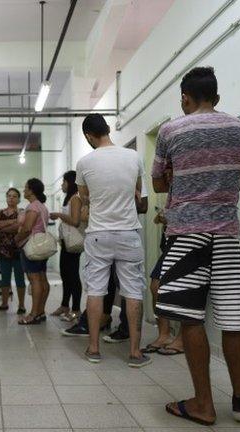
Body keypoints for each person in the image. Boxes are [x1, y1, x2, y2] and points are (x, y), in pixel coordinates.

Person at [152, 66, 240, 425]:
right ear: (216, 98)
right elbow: (238, 181)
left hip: (186, 232)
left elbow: (157, 183)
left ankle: (203, 403)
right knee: (233, 320)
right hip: (227, 233)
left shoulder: (171, 130)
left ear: (185, 97)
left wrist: (179, 178)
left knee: (189, 318)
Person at [75, 114, 149, 367]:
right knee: (132, 292)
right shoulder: (133, 157)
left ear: (88, 136)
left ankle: (94, 348)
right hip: (128, 232)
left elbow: (85, 200)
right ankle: (135, 353)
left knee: (96, 290)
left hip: (98, 234)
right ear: (107, 129)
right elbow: (141, 200)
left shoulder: (84, 162)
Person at [143, 208, 184, 355]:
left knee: (186, 290)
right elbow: (157, 219)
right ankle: (164, 335)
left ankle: (182, 338)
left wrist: (169, 218)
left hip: (188, 241)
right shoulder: (174, 195)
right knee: (155, 287)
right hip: (169, 245)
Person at [14, 178, 51, 325]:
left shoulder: (33, 207)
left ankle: (34, 314)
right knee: (42, 279)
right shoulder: (42, 206)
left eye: (25, 188)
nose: (23, 190)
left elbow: (28, 228)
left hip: (31, 246)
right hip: (41, 246)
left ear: (31, 190)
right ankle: (41, 312)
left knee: (34, 279)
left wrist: (17, 239)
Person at [49, 171, 84, 320]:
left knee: (73, 276)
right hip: (66, 242)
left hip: (73, 243)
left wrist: (59, 215)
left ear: (70, 182)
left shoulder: (75, 198)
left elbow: (75, 221)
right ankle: (65, 305)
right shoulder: (68, 199)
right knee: (65, 274)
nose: (62, 185)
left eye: (64, 182)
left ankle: (76, 309)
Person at [0, 188, 27, 314]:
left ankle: (21, 305)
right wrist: (12, 222)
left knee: (19, 278)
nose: (11, 198)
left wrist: (2, 227)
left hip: (18, 250)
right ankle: (4, 303)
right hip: (3, 250)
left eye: (14, 196)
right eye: (9, 196)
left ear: (18, 199)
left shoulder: (22, 212)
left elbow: (18, 228)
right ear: (6, 198)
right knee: (4, 278)